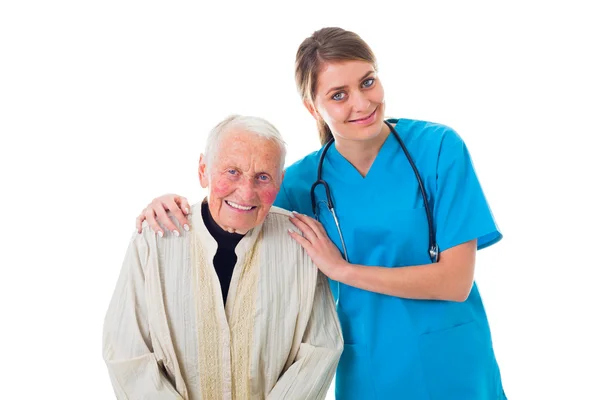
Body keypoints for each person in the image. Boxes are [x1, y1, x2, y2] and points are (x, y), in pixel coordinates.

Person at [137, 27, 507, 399]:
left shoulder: (439, 149)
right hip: (368, 368)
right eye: (339, 95)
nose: (361, 104)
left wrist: (342, 271)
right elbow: (235, 212)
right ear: (313, 108)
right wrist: (174, 204)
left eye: (368, 82)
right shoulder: (301, 183)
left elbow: (456, 281)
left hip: (456, 361)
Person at [103, 114, 343, 400]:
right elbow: (127, 352)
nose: (246, 191)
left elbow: (321, 348)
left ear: (279, 182)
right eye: (232, 172)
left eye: (263, 177)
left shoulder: (303, 242)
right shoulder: (154, 239)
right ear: (203, 170)